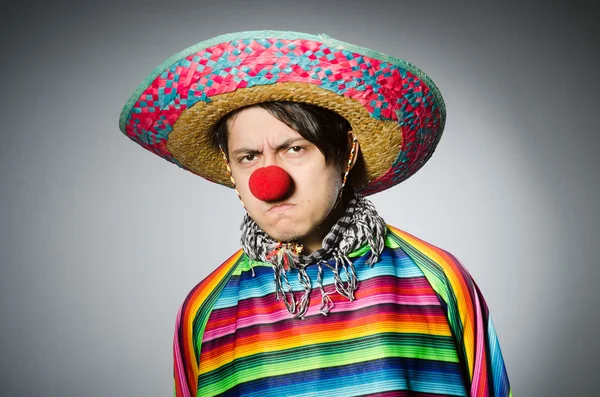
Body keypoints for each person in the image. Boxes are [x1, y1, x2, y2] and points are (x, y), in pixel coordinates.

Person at [119, 31, 512, 397]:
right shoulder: (204, 309)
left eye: (295, 148)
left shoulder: (438, 280)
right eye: (249, 157)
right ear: (230, 169)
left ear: (347, 153)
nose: (268, 181)